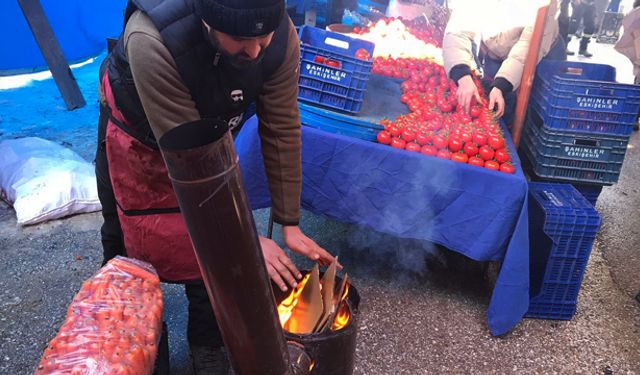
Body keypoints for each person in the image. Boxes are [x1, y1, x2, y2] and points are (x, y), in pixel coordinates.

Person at [95, 0, 337, 373]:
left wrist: (289, 221)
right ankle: (139, 342)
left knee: (216, 260)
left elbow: (282, 125)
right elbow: (192, 163)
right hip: (139, 134)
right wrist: (245, 239)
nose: (255, 52)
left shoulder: (280, 36)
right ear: (207, 22)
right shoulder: (153, 39)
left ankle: (207, 341)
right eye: (241, 39)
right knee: (129, 244)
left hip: (207, 126)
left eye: (264, 38)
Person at [443, 0, 567, 125]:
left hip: (542, 55)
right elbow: (458, 28)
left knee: (537, 116)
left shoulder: (541, 4)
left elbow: (527, 47)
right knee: (499, 111)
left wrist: (502, 84)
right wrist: (462, 74)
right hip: (497, 52)